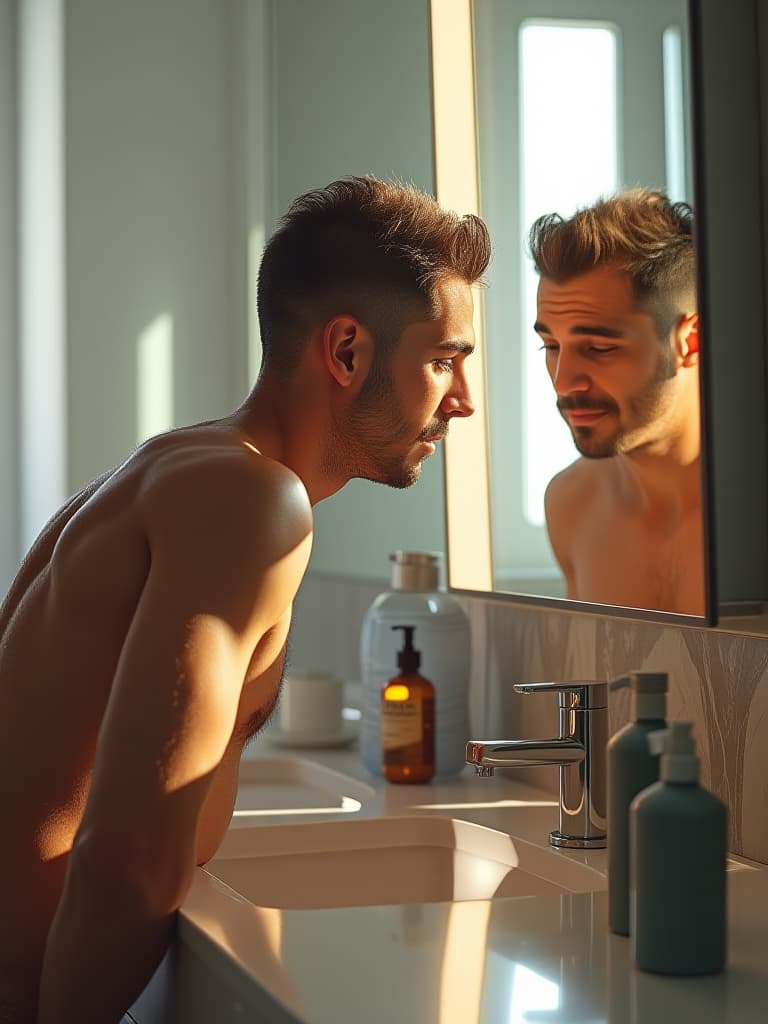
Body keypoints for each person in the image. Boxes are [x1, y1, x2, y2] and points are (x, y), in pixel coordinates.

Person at [0, 176, 491, 1023]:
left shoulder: (179, 462)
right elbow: (131, 859)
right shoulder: (252, 500)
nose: (464, 401)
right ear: (347, 353)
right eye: (443, 360)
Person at [529, 188, 704, 614]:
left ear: (689, 341)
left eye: (599, 348)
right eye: (551, 346)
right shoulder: (571, 503)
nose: (564, 381)